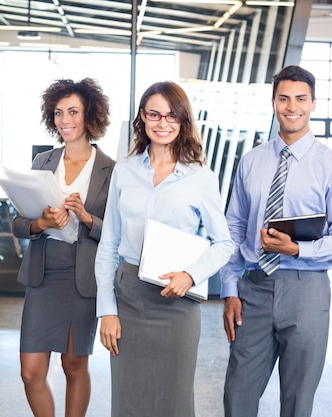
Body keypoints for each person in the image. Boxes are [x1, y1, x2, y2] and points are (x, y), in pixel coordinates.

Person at [220, 65, 332, 417]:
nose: (291, 106)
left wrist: (298, 249)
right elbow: (234, 228)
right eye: (284, 98)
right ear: (273, 103)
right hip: (254, 287)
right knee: (238, 395)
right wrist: (230, 288)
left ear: (313, 103)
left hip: (307, 290)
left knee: (297, 401)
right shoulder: (251, 161)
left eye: (300, 99)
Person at [95, 81, 234, 417]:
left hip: (178, 302)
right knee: (128, 400)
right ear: (142, 118)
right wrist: (106, 310)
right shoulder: (124, 171)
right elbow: (108, 244)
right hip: (128, 298)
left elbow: (225, 243)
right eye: (154, 114)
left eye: (172, 116)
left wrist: (191, 275)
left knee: (174, 402)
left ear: (183, 121)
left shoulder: (200, 176)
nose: (162, 122)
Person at [12, 78, 115, 417]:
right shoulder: (43, 161)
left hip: (81, 275)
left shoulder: (111, 170)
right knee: (30, 372)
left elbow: (118, 235)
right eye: (58, 113)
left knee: (73, 366)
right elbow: (18, 223)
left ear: (90, 116)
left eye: (73, 111)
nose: (65, 120)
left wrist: (86, 217)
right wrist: (41, 223)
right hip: (43, 273)